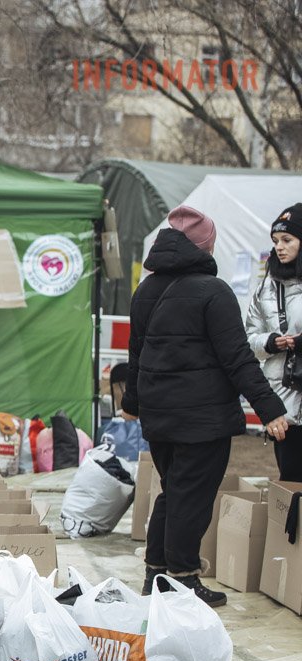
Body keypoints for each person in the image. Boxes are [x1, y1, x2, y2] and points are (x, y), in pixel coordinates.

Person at [124, 205, 288, 607]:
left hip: (159, 414)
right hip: (202, 417)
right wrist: (271, 410)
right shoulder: (213, 292)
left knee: (173, 490)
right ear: (204, 245)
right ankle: (182, 579)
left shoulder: (146, 289)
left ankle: (156, 575)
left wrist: (131, 402)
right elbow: (237, 358)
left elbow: (136, 352)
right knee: (191, 497)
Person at [244, 203, 302, 481]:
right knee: (290, 481)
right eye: (276, 241)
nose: (279, 247)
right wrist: (271, 342)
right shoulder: (266, 287)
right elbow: (247, 338)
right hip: (284, 404)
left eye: (287, 240)